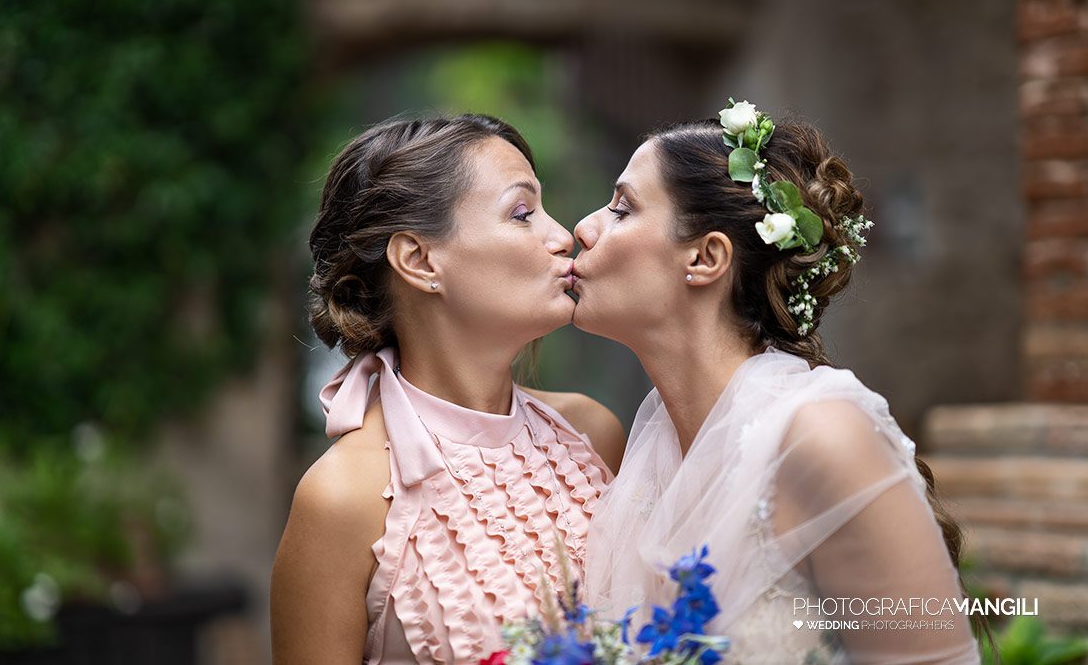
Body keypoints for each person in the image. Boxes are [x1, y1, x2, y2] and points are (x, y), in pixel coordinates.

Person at [573, 100, 983, 663]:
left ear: (705, 257)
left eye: (622, 209)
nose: (583, 227)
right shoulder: (645, 461)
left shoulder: (822, 436)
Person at [271, 114, 625, 665]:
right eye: (523, 213)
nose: (563, 236)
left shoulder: (592, 435)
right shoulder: (344, 496)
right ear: (418, 258)